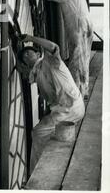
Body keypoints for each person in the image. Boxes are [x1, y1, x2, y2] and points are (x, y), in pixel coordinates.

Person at [17, 34, 85, 173]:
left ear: (37, 53)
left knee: (38, 132)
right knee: (45, 132)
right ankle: (46, 166)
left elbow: (54, 47)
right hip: (67, 110)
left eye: (28, 53)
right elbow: (26, 73)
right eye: (24, 58)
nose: (26, 57)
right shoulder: (36, 74)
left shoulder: (50, 62)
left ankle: (36, 172)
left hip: (70, 108)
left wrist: (31, 38)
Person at [32, 0, 93, 99]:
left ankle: (76, 93)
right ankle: (83, 90)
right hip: (80, 25)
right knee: (82, 59)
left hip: (79, 26)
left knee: (77, 60)